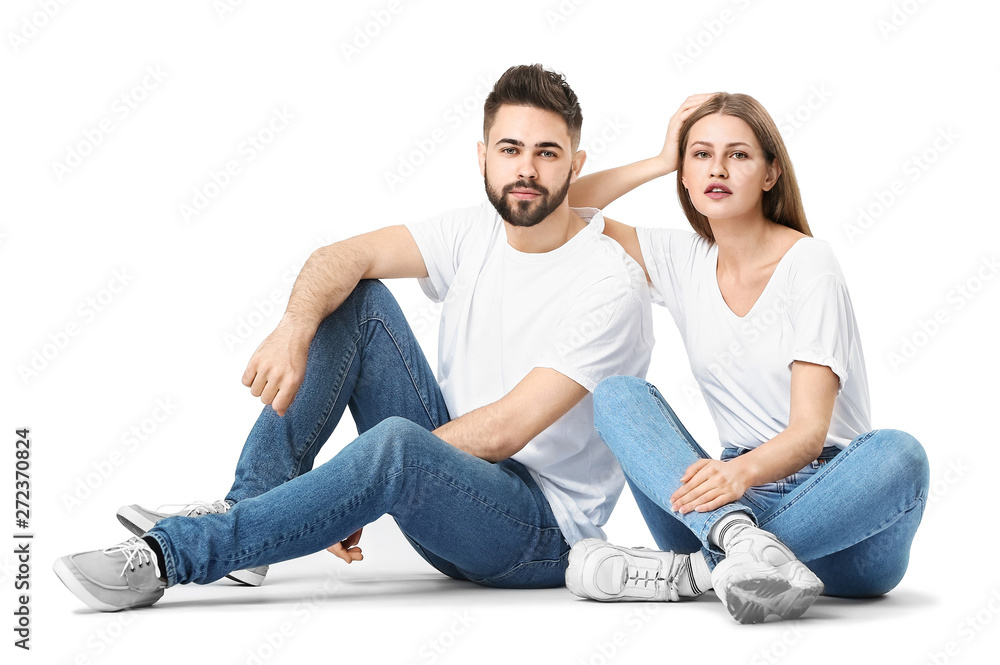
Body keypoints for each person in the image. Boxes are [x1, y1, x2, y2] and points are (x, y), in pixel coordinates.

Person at [53, 64, 654, 612]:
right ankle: (253, 512)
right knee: (355, 298)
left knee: (395, 447)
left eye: (547, 153)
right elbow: (342, 255)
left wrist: (358, 482)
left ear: (575, 166)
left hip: (535, 533)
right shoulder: (475, 231)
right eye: (510, 149)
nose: (526, 169)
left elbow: (504, 431)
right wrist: (293, 329)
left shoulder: (609, 283)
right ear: (482, 158)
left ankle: (172, 556)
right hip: (455, 479)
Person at [563, 93, 930, 624]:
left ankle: (695, 574)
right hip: (723, 508)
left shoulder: (810, 264)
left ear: (769, 173)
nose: (717, 168)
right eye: (700, 155)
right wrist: (662, 158)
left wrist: (737, 477)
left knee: (901, 456)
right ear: (685, 176)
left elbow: (809, 434)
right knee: (618, 396)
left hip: (840, 513)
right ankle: (736, 549)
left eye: (738, 155)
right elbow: (560, 205)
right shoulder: (680, 257)